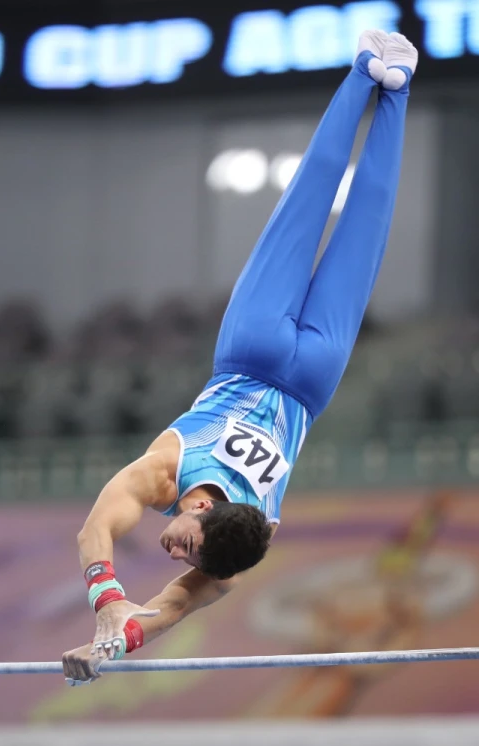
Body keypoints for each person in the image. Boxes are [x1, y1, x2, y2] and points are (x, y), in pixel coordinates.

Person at [62, 30, 418, 686]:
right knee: (312, 208)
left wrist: (116, 641)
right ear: (201, 513)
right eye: (186, 548)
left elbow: (167, 606)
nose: (174, 557)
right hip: (262, 360)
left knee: (360, 229)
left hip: (311, 377)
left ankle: (386, 85)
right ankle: (369, 76)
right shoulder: (168, 473)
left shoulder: (244, 536)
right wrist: (111, 608)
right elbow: (96, 532)